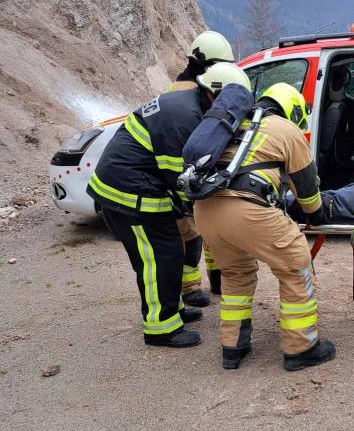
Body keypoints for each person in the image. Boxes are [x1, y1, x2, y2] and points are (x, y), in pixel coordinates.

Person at [87, 61, 250, 348]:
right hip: (129, 195)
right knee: (156, 260)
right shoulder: (184, 119)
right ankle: (160, 329)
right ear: (216, 94)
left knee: (171, 252)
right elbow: (184, 178)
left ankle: (172, 311)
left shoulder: (191, 105)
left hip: (142, 186)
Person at [194, 83, 336, 371]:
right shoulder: (286, 130)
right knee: (297, 267)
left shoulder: (234, 125)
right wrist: (316, 213)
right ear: (293, 110)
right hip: (247, 209)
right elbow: (307, 189)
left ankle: (233, 348)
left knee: (236, 275)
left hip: (205, 210)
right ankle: (301, 348)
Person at [165, 31, 236, 306]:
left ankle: (194, 286)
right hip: (196, 171)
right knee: (198, 234)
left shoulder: (173, 89)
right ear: (207, 64)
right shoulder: (204, 91)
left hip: (181, 174)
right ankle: (197, 288)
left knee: (196, 233)